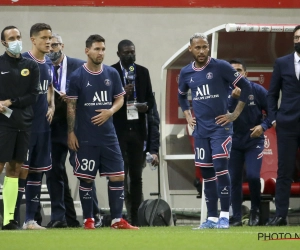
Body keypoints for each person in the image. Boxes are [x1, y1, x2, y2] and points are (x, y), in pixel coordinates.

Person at [178, 33, 251, 229]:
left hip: (221, 128)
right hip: (201, 131)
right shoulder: (186, 72)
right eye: (198, 48)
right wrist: (187, 115)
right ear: (190, 49)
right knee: (206, 173)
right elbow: (182, 95)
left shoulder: (221, 67)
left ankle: (225, 216)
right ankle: (211, 218)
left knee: (220, 167)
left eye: (205, 47)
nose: (202, 51)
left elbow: (246, 86)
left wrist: (234, 114)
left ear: (208, 48)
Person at [66, 34, 138, 230]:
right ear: (87, 51)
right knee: (86, 178)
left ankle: (116, 220)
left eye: (103, 49)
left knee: (118, 176)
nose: (101, 53)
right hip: (86, 137)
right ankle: (89, 219)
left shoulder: (112, 74)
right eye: (97, 49)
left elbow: (120, 99)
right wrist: (71, 133)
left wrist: (110, 111)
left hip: (109, 136)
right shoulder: (77, 76)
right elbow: (71, 106)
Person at [46, 33, 101, 228]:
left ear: (63, 45)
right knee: (54, 172)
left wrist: (70, 98)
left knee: (83, 171)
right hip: (52, 127)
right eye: (49, 45)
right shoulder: (42, 67)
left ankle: (93, 215)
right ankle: (60, 217)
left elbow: (90, 94)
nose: (52, 49)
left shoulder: (79, 66)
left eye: (56, 45)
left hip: (76, 127)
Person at [12, 23, 55, 230]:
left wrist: (52, 105)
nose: (49, 42)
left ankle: (30, 220)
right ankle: (12, 220)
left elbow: (49, 87)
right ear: (33, 39)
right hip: (25, 128)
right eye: (45, 38)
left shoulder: (47, 63)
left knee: (38, 173)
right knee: (20, 171)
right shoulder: (23, 62)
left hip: (43, 128)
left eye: (50, 38)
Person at [111, 39, 155, 226]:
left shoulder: (143, 72)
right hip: (118, 130)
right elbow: (107, 102)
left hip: (137, 131)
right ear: (118, 54)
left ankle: (135, 218)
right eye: (126, 52)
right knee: (119, 175)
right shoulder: (111, 72)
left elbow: (151, 100)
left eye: (132, 52)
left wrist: (144, 106)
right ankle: (117, 215)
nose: (130, 55)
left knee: (136, 177)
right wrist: (122, 94)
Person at [0, 25, 39, 230]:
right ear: (4, 42)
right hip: (2, 124)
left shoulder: (31, 66)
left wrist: (10, 102)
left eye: (18, 37)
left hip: (23, 124)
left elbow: (33, 96)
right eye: (11, 38)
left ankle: (8, 219)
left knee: (14, 169)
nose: (16, 41)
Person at [227, 59, 272, 227]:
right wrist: (232, 99)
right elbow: (224, 116)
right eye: (233, 71)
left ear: (246, 73)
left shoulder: (257, 90)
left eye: (239, 70)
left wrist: (263, 126)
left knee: (253, 176)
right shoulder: (225, 91)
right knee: (234, 180)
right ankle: (237, 217)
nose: (236, 74)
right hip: (233, 142)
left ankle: (255, 210)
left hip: (253, 141)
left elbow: (272, 111)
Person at [266, 25, 300, 226]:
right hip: (287, 124)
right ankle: (280, 215)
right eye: (296, 37)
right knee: (284, 171)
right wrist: (274, 118)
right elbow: (272, 94)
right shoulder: (281, 62)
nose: (299, 40)